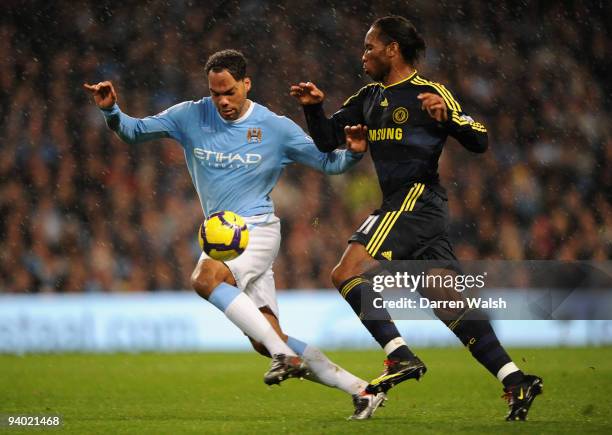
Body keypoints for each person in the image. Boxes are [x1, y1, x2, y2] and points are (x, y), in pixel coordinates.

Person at [84, 49, 386, 420]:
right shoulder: (190, 115)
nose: (222, 101)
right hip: (225, 232)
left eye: (229, 91)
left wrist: (353, 154)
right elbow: (133, 132)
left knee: (205, 277)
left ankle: (283, 355)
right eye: (215, 93)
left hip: (255, 228)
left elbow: (328, 163)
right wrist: (111, 111)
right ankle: (362, 390)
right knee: (265, 338)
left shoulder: (275, 127)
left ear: (247, 84)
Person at [290, 16, 542, 421]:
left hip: (415, 200)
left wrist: (448, 118)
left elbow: (480, 139)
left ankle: (399, 355)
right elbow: (327, 139)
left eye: (370, 47)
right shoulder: (369, 97)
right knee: (444, 299)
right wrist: (314, 108)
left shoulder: (430, 92)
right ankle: (515, 379)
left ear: (392, 49)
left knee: (345, 272)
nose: (364, 55)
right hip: (412, 208)